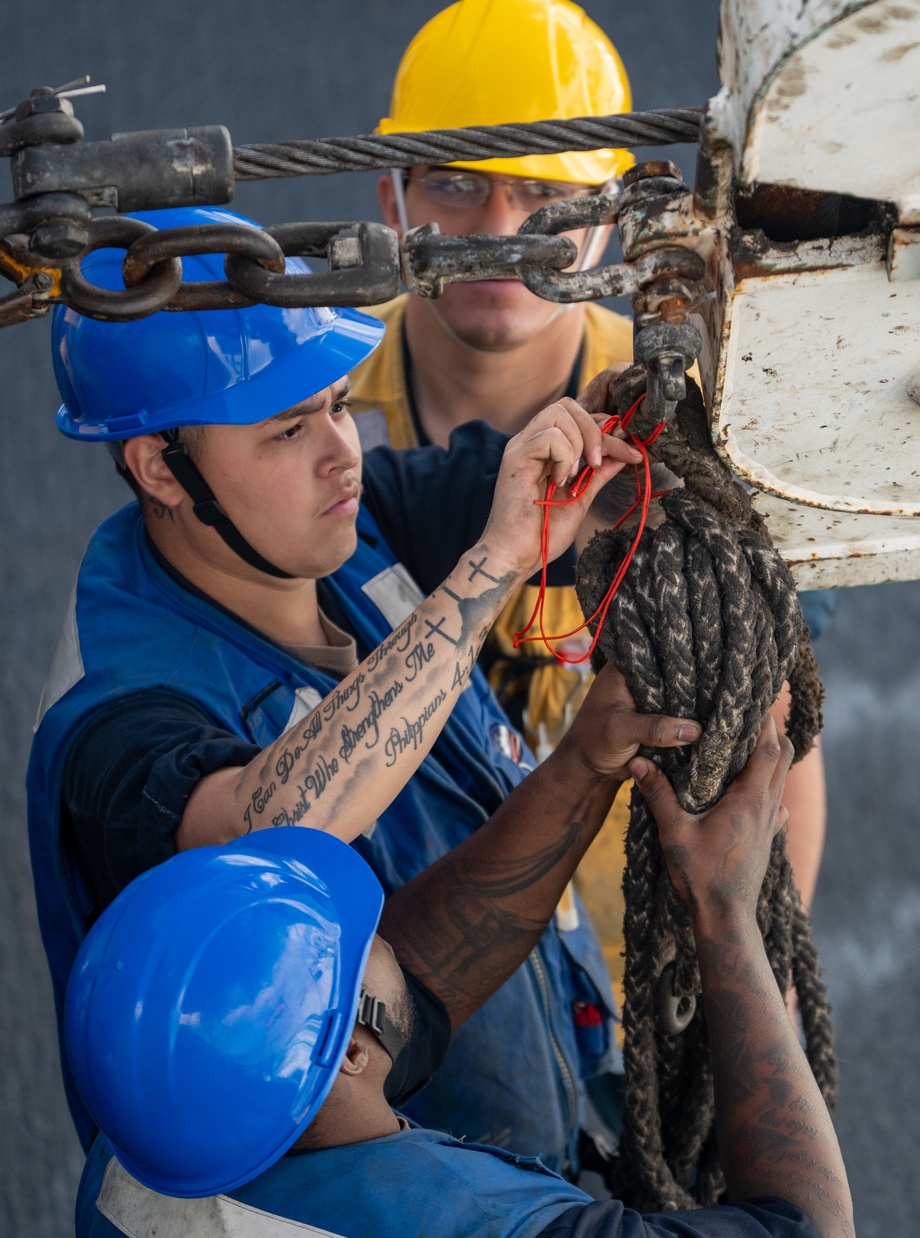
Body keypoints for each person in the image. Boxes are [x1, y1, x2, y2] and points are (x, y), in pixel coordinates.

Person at [27, 204, 699, 1174]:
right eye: (289, 427)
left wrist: (622, 424)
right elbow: (266, 824)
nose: (340, 451)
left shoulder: (337, 520)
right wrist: (492, 565)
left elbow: (562, 488)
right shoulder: (118, 718)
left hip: (541, 1140)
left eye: (340, 401)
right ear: (160, 470)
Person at [350, 0, 834, 1004]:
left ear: (610, 212)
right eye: (457, 185)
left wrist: (750, 988)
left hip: (625, 977)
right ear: (394, 197)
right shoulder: (312, 416)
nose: (498, 232)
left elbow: (777, 732)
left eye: (543, 194)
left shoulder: (698, 414)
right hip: (389, 970)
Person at [68, 718, 854, 1238]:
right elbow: (806, 1225)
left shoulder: (151, 1133)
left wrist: (583, 764)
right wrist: (724, 911)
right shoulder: (470, 1222)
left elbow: (419, 985)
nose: (384, 933)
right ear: (346, 1053)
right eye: (361, 938)